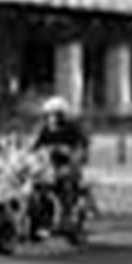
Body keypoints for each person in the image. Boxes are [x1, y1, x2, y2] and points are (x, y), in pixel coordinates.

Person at [29, 96, 89, 232]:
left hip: (68, 165)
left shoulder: (73, 128)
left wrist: (73, 152)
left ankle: (66, 216)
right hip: (47, 166)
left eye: (56, 115)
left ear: (63, 115)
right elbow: (34, 146)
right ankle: (35, 216)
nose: (52, 118)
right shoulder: (44, 129)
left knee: (65, 183)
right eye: (49, 115)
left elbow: (82, 145)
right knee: (31, 183)